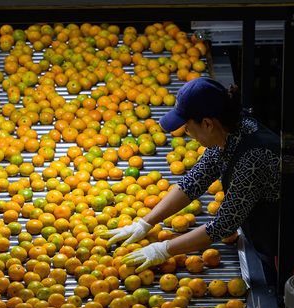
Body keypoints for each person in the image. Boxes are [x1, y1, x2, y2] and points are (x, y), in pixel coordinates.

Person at [102, 77, 281, 281]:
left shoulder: (253, 157)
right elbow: (194, 182)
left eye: (187, 128)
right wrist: (144, 223)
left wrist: (163, 250)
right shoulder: (228, 132)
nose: (187, 134)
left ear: (207, 124)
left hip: (282, 248)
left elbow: (224, 225)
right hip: (259, 233)